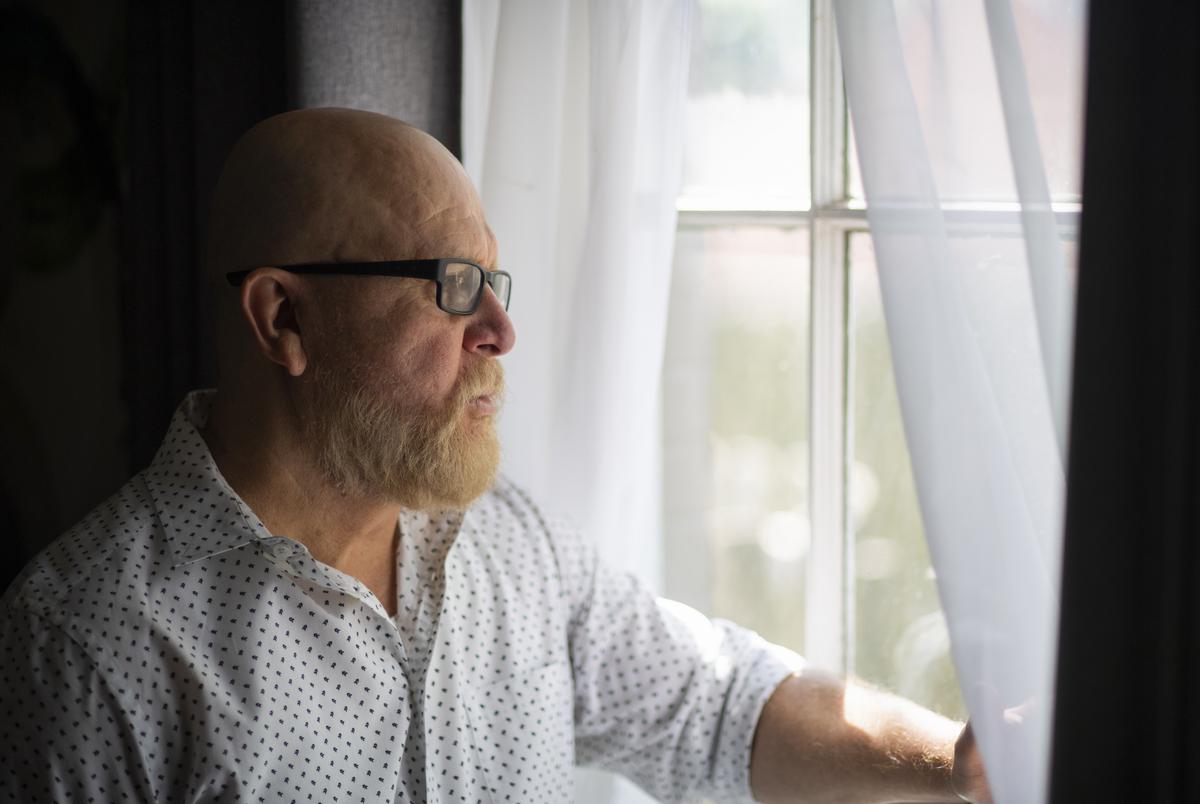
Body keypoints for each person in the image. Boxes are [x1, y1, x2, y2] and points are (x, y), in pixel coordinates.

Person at [0, 108, 990, 803]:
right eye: (453, 282)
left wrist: (959, 761)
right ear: (283, 317)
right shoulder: (88, 644)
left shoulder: (503, 539)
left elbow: (719, 709)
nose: (501, 331)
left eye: (493, 278)